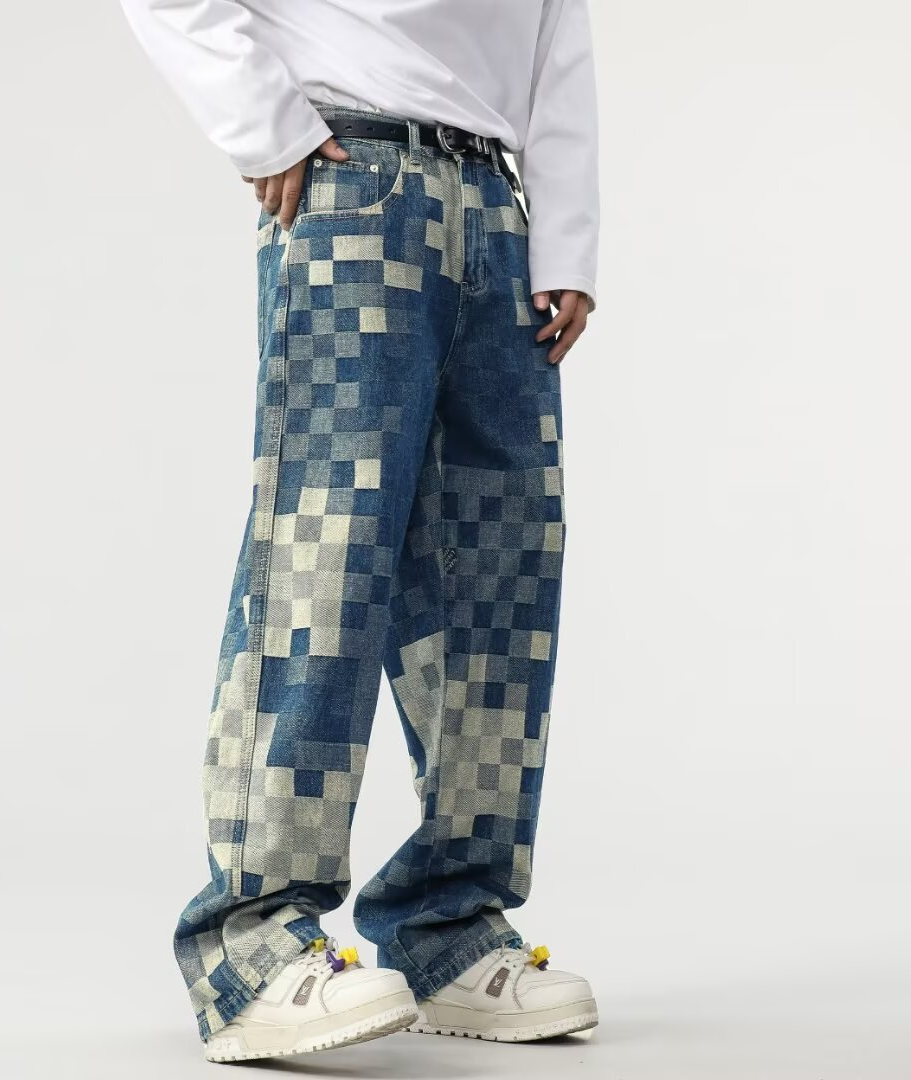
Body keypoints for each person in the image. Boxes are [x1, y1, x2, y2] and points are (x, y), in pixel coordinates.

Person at [118, 0, 600, 1062]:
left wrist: (564, 230)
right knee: (324, 552)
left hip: (498, 207)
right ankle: (250, 944)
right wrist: (268, 125)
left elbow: (556, 29)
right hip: (356, 179)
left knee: (500, 571)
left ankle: (448, 925)